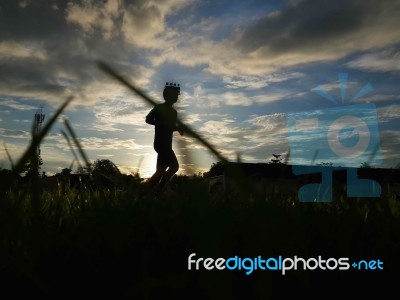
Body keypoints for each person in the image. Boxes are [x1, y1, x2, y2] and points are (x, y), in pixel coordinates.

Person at [145, 82, 183, 193]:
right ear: (167, 95)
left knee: (160, 171)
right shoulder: (159, 107)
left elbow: (170, 127)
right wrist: (161, 123)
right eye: (174, 94)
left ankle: (146, 191)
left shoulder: (174, 112)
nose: (176, 97)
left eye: (177, 95)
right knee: (174, 166)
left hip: (167, 144)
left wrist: (178, 129)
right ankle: (159, 190)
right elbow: (148, 119)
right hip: (161, 144)